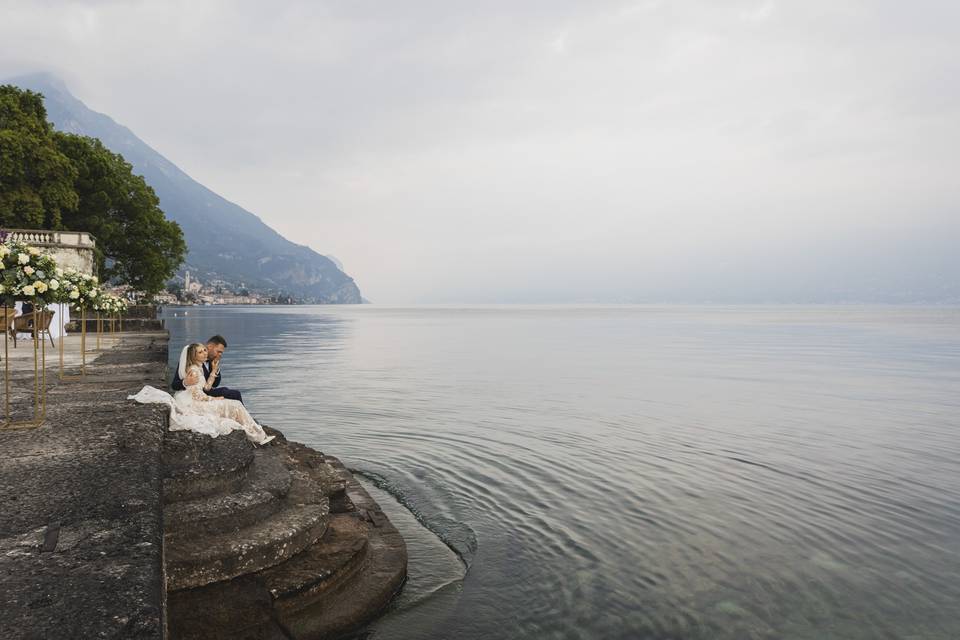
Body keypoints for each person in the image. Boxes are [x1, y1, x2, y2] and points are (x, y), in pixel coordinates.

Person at [130, 342, 274, 445]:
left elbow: (206, 387)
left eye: (204, 350)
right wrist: (214, 399)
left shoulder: (199, 367)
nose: (205, 353)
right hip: (194, 404)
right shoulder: (193, 371)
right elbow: (197, 395)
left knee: (234, 402)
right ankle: (257, 435)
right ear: (193, 356)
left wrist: (213, 371)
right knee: (234, 404)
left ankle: (256, 434)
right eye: (200, 352)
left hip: (201, 398)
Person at [171, 334, 243, 403]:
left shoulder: (212, 361)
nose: (220, 355)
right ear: (210, 347)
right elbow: (174, 385)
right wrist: (185, 382)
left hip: (207, 390)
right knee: (234, 394)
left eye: (221, 353)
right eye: (218, 352)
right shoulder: (189, 361)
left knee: (229, 391)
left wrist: (216, 369)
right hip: (197, 396)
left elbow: (215, 384)